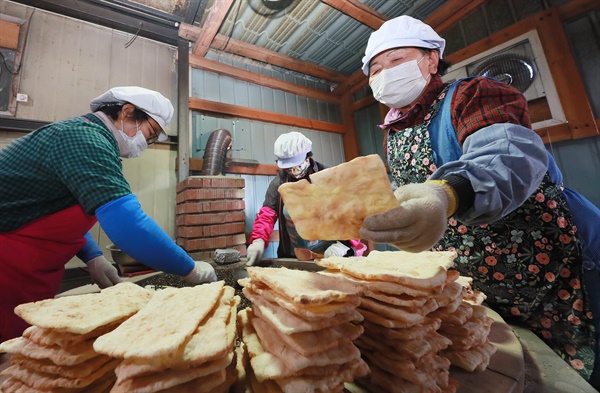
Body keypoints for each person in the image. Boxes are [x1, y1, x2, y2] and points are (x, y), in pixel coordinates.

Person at [358, 15, 600, 386]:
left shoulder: (473, 95)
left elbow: (508, 153)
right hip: (477, 289)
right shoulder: (394, 133)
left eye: (396, 61)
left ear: (431, 60)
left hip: (550, 273)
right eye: (375, 68)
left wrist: (448, 191)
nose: (384, 74)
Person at [0, 86, 217, 343]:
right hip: (8, 266)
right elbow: (130, 227)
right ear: (127, 112)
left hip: (30, 269)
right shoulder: (84, 138)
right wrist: (189, 269)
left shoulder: (91, 139)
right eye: (151, 133)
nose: (146, 144)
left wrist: (92, 255)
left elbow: (52, 210)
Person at [246, 131, 365, 266]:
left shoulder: (328, 176)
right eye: (288, 167)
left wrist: (343, 244)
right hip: (295, 254)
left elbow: (352, 213)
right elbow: (267, 214)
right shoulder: (278, 183)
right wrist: (258, 240)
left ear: (307, 157)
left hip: (333, 253)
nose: (293, 170)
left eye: (296, 165)